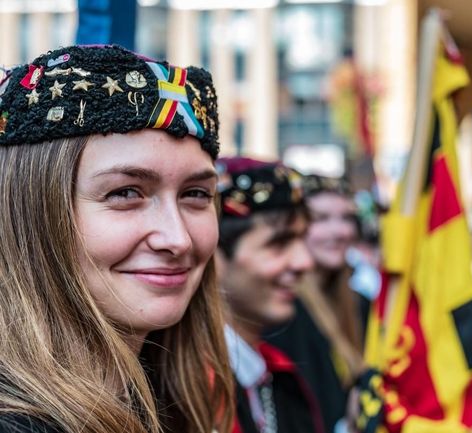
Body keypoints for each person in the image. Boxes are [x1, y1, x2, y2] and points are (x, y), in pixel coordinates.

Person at [0, 45, 232, 433]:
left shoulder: (175, 403)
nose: (178, 240)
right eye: (125, 193)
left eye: (196, 194)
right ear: (31, 213)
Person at [215, 158, 324, 433]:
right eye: (279, 243)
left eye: (302, 240)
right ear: (214, 257)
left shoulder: (281, 375)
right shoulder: (183, 391)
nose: (304, 262)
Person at [264, 175, 365, 433]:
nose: (339, 231)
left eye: (346, 218)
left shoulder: (360, 304)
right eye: (321, 219)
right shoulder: (283, 312)